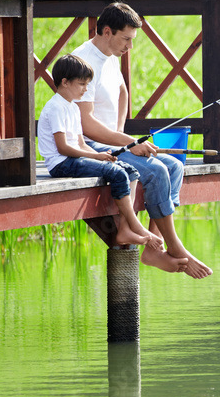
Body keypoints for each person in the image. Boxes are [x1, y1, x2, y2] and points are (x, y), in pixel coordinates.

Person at [71, 2, 212, 279]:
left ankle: (151, 247)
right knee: (157, 170)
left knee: (173, 166)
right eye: (126, 39)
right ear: (107, 31)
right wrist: (127, 142)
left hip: (113, 143)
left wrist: (121, 134)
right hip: (90, 146)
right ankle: (174, 247)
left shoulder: (110, 55)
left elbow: (122, 91)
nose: (130, 48)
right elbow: (85, 124)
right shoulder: (83, 62)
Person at [38, 54, 163, 251]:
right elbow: (63, 148)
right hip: (61, 163)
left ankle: (125, 227)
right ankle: (133, 226)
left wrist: (105, 154)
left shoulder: (72, 108)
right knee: (117, 173)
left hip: (75, 157)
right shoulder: (55, 107)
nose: (86, 89)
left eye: (87, 84)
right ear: (65, 82)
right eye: (81, 84)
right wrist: (96, 156)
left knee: (130, 170)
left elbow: (80, 143)